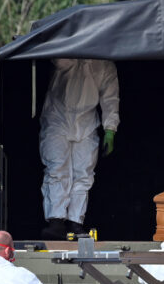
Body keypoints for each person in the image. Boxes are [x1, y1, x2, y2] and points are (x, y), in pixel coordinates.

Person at [40, 58, 120, 239]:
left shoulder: (105, 65)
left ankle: (75, 222)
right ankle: (56, 220)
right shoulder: (67, 54)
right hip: (57, 120)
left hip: (86, 123)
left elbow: (110, 97)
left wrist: (110, 128)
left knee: (83, 173)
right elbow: (58, 60)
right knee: (57, 169)